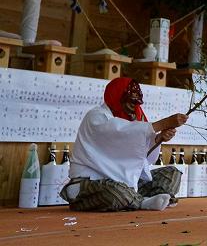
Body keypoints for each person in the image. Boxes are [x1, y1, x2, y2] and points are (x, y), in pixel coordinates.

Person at [60, 77, 188, 211]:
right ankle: (142, 202)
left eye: (137, 103)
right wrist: (164, 124)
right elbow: (119, 131)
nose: (134, 107)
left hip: (125, 183)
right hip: (91, 184)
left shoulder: (131, 119)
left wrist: (157, 139)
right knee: (116, 192)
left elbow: (140, 155)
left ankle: (137, 198)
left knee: (171, 174)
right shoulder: (96, 116)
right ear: (117, 97)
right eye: (131, 102)